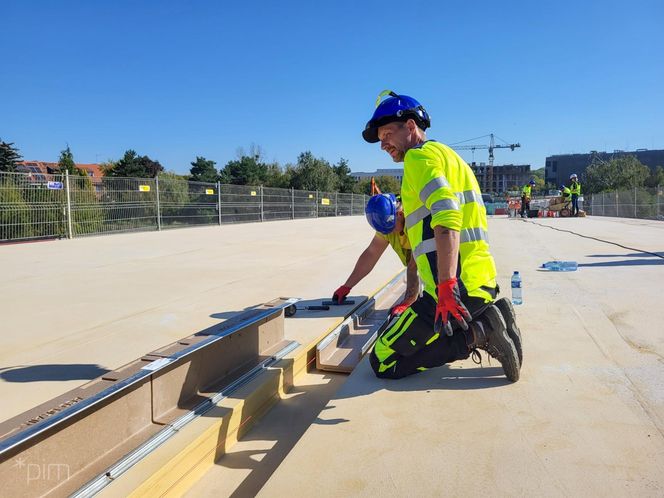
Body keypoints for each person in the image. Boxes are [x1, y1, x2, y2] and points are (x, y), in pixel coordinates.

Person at [361, 90, 522, 381]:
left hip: (451, 293)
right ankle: (489, 316)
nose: (383, 144)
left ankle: (478, 333)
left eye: (386, 134)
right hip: (481, 281)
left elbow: (447, 216)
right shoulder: (451, 157)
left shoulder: (417, 159)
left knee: (382, 360)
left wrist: (447, 287)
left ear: (410, 127)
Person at [332, 193, 420, 316]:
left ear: (400, 214)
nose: (388, 233)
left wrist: (409, 300)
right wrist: (347, 286)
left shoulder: (415, 219)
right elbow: (371, 254)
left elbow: (415, 265)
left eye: (389, 228)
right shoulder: (388, 223)